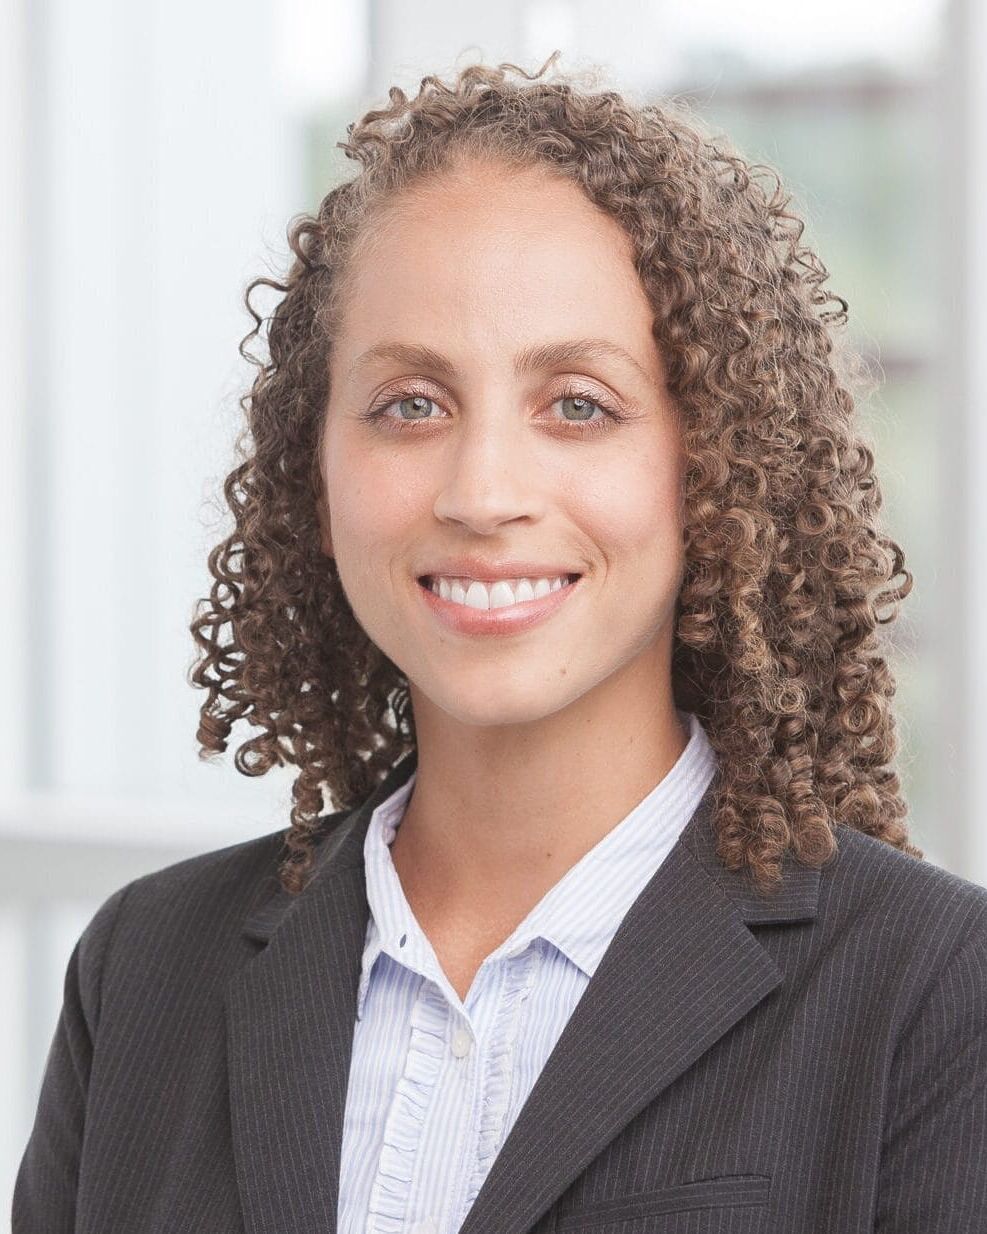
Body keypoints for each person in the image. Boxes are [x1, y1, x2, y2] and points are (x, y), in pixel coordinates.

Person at [13, 51, 987, 1234]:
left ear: (714, 465)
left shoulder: (931, 992)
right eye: (410, 404)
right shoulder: (147, 969)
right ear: (312, 472)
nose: (483, 490)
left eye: (578, 403)